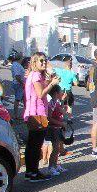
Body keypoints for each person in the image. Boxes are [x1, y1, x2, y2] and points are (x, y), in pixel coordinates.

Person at [24, 52, 60, 182]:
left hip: (35, 113)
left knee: (33, 144)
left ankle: (31, 172)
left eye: (45, 60)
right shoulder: (36, 75)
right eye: (41, 61)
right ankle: (33, 172)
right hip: (36, 114)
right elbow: (40, 94)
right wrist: (52, 84)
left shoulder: (36, 75)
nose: (44, 63)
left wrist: (50, 79)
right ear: (34, 62)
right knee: (35, 144)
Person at [44, 84, 67, 176]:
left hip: (57, 127)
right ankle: (51, 167)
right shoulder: (52, 103)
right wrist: (61, 123)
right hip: (53, 128)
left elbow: (61, 111)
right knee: (55, 148)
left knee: (57, 148)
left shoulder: (56, 101)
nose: (62, 92)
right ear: (56, 93)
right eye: (61, 91)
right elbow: (49, 117)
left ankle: (55, 165)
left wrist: (62, 101)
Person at [11, 56, 26, 120]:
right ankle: (15, 115)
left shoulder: (15, 64)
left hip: (18, 83)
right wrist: (22, 84)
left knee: (24, 99)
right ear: (20, 58)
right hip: (18, 84)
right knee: (18, 100)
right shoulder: (16, 65)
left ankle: (24, 114)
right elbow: (17, 76)